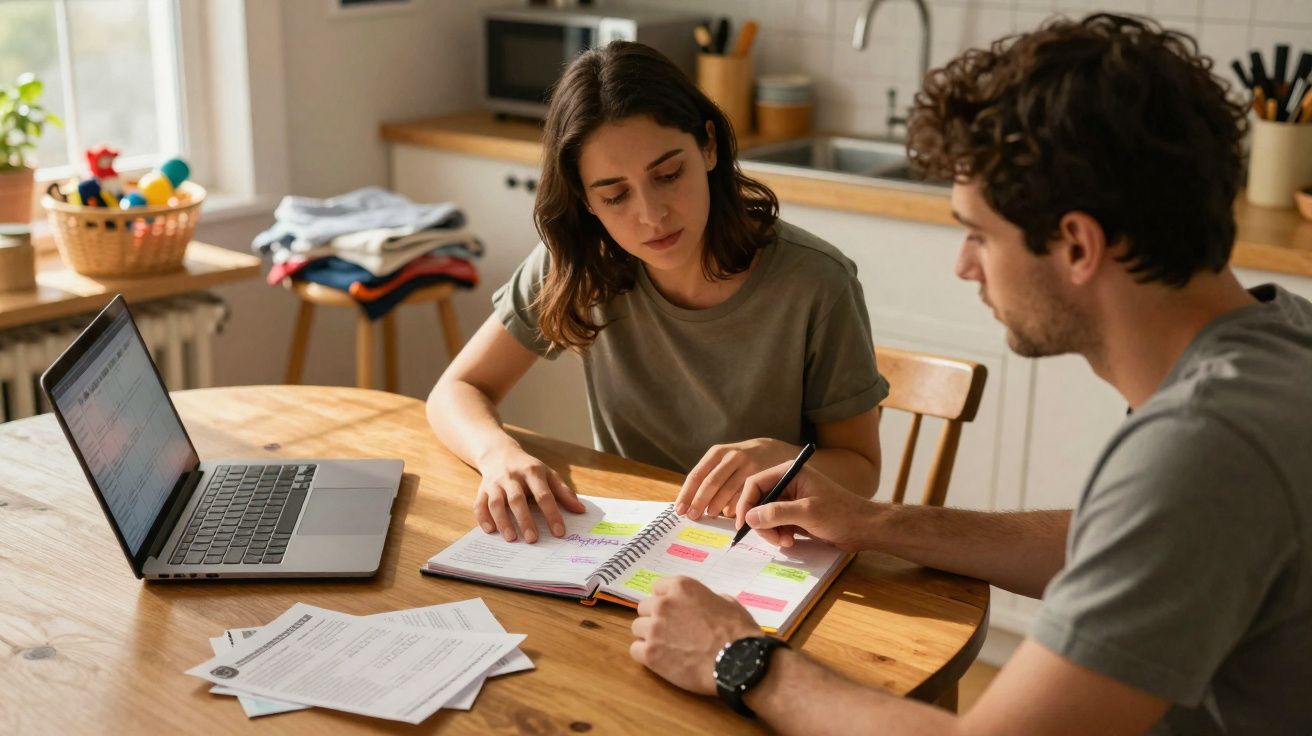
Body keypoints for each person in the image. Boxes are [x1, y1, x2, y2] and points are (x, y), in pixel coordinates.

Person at [628, 14, 1312, 736]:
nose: (964, 265)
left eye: (978, 233)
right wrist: (875, 523)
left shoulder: (1205, 447)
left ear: (1077, 244)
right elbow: (1126, 542)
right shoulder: (1276, 338)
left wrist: (736, 657)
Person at [427, 41, 887, 544]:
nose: (651, 215)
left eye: (668, 175)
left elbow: (861, 471)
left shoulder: (818, 281)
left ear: (708, 146)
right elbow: (456, 391)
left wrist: (776, 455)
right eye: (615, 195)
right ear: (585, 200)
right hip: (625, 539)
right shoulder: (580, 263)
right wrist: (499, 456)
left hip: (763, 546)